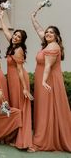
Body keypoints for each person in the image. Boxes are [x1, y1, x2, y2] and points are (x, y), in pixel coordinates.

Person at [30, 10, 71, 152]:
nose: (47, 34)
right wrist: (33, 16)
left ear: (57, 37)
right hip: (44, 80)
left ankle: (42, 142)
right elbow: (39, 30)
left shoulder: (53, 46)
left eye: (51, 33)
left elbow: (47, 66)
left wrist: (43, 81)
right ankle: (42, 137)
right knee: (43, 108)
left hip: (48, 81)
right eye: (47, 32)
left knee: (46, 109)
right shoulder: (48, 43)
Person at [0, 10, 33, 150]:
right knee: (14, 106)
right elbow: (6, 31)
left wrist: (25, 88)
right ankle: (13, 135)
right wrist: (1, 17)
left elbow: (19, 70)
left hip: (19, 81)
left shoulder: (18, 50)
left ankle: (22, 140)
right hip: (11, 80)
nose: (15, 37)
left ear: (21, 40)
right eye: (15, 35)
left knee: (20, 108)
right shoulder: (13, 45)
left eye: (19, 37)